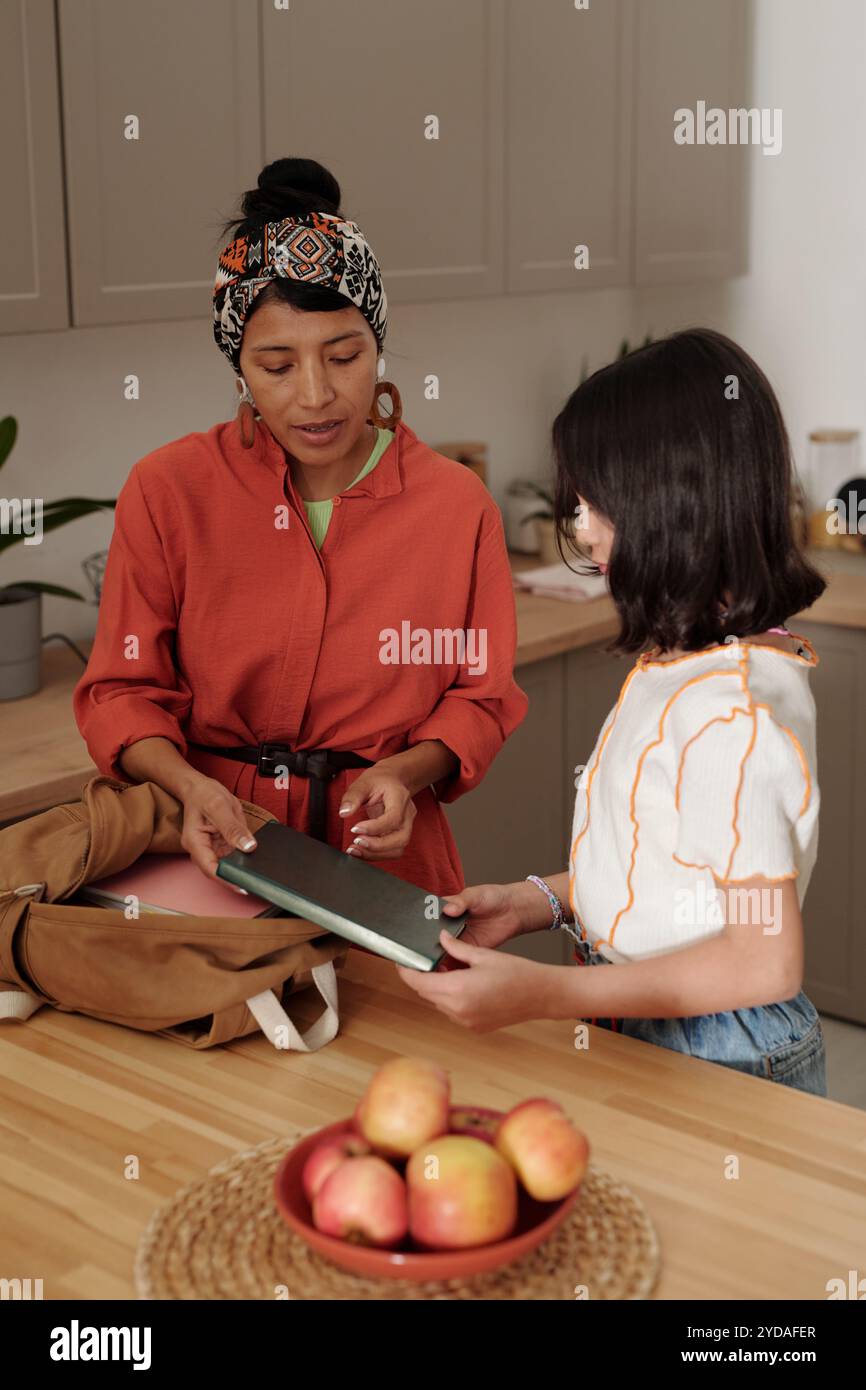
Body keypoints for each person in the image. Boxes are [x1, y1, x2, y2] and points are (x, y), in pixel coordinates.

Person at [73, 157, 528, 895]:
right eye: (277, 366)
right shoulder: (167, 492)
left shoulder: (456, 505)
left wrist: (407, 772)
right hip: (209, 855)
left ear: (377, 345)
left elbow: (482, 696)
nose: (316, 396)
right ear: (239, 370)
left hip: (383, 867)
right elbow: (120, 692)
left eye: (344, 357)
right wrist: (190, 787)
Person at [399, 328, 829, 1096]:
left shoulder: (735, 716)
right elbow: (666, 875)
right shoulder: (679, 660)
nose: (581, 525)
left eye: (598, 502)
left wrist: (545, 996)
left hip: (721, 1049)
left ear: (676, 501)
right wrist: (535, 902)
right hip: (643, 1012)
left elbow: (764, 960)